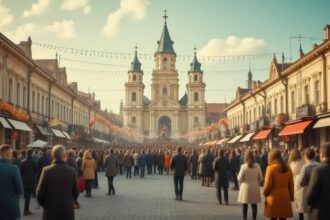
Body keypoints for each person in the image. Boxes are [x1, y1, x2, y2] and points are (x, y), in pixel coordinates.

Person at [37, 145, 79, 220]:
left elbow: (40, 193)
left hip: (50, 210)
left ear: (52, 156)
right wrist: (69, 201)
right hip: (67, 210)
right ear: (64, 156)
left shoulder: (46, 170)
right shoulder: (71, 171)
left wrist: (46, 204)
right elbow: (76, 192)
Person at [263, 148, 294, 220]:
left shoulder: (270, 168)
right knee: (283, 218)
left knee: (273, 217)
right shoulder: (288, 168)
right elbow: (291, 185)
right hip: (285, 196)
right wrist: (291, 197)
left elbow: (267, 185)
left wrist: (265, 193)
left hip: (273, 197)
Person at [237, 150, 263, 220]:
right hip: (254, 188)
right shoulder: (258, 166)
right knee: (254, 205)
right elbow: (261, 178)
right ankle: (254, 218)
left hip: (245, 188)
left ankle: (245, 218)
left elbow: (239, 179)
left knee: (245, 205)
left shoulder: (243, 167)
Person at [0, 145, 23, 220]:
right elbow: (19, 188)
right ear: (7, 154)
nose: (12, 155)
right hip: (10, 203)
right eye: (11, 154)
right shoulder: (14, 168)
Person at [307, 142, 330, 220]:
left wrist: (310, 203)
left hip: (323, 211)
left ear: (322, 154)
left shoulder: (318, 170)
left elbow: (311, 194)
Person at [299, 148, 319, 220]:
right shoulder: (319, 164)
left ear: (305, 156)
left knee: (309, 214)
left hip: (308, 192)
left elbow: (301, 182)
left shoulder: (305, 167)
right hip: (319, 191)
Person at [288, 149, 305, 220]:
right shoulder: (302, 161)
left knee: (300, 205)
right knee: (300, 204)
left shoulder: (293, 163)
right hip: (299, 184)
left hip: (297, 184)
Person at [20, 148, 38, 216]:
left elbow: (21, 171)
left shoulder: (23, 161)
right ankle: (26, 210)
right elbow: (36, 171)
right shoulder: (34, 161)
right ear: (32, 153)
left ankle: (26, 209)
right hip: (32, 180)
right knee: (28, 196)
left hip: (25, 180)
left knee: (27, 195)